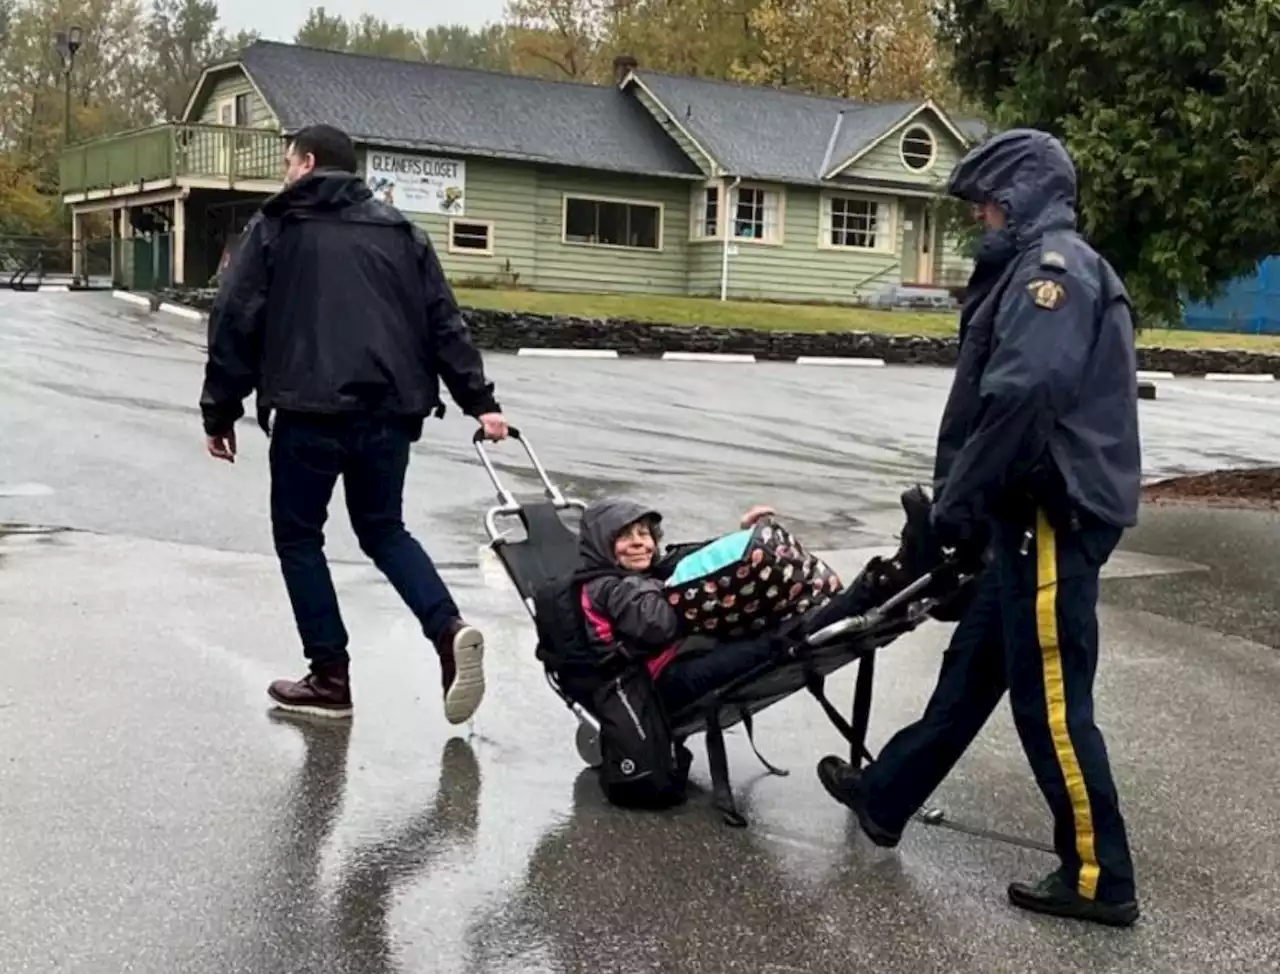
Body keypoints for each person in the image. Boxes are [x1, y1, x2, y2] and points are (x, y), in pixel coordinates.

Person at [815, 128, 1143, 928]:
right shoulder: (1036, 266)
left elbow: (1023, 397)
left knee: (1054, 704)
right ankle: (887, 795)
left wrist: (959, 508)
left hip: (1052, 514)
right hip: (1028, 510)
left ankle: (1102, 877)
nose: (981, 221)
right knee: (971, 670)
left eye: (988, 206)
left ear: (1018, 198)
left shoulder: (1051, 273)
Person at [199, 123, 508, 724]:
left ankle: (329, 677)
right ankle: (448, 630)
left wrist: (220, 410)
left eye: (290, 163)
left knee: (298, 537)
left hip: (307, 412)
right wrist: (480, 402)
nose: (285, 174)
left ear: (308, 163)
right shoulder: (401, 232)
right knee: (384, 529)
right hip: (389, 414)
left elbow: (235, 319)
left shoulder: (277, 228)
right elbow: (444, 322)